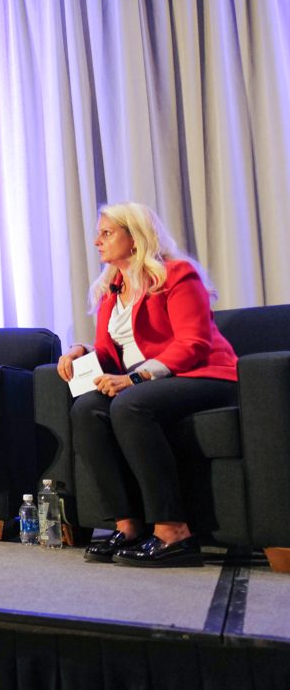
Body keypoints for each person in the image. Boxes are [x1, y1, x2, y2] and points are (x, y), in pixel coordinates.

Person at [57, 202, 238, 568]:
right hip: (145, 382)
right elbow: (111, 352)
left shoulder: (177, 275)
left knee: (131, 404)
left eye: (107, 233)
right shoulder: (112, 289)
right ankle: (128, 526)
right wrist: (82, 350)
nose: (97, 242)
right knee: (87, 408)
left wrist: (134, 378)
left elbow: (193, 344)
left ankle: (174, 533)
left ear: (134, 236)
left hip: (205, 375)